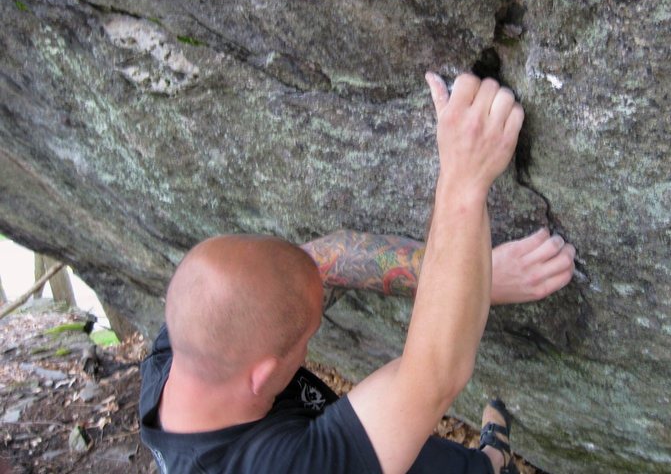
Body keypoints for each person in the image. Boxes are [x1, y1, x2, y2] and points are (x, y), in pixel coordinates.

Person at [139, 72, 575, 473]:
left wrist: (478, 277)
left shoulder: (184, 348)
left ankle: (489, 462)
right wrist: (464, 180)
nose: (310, 341)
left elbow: (319, 263)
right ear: (260, 374)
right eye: (307, 336)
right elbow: (433, 376)